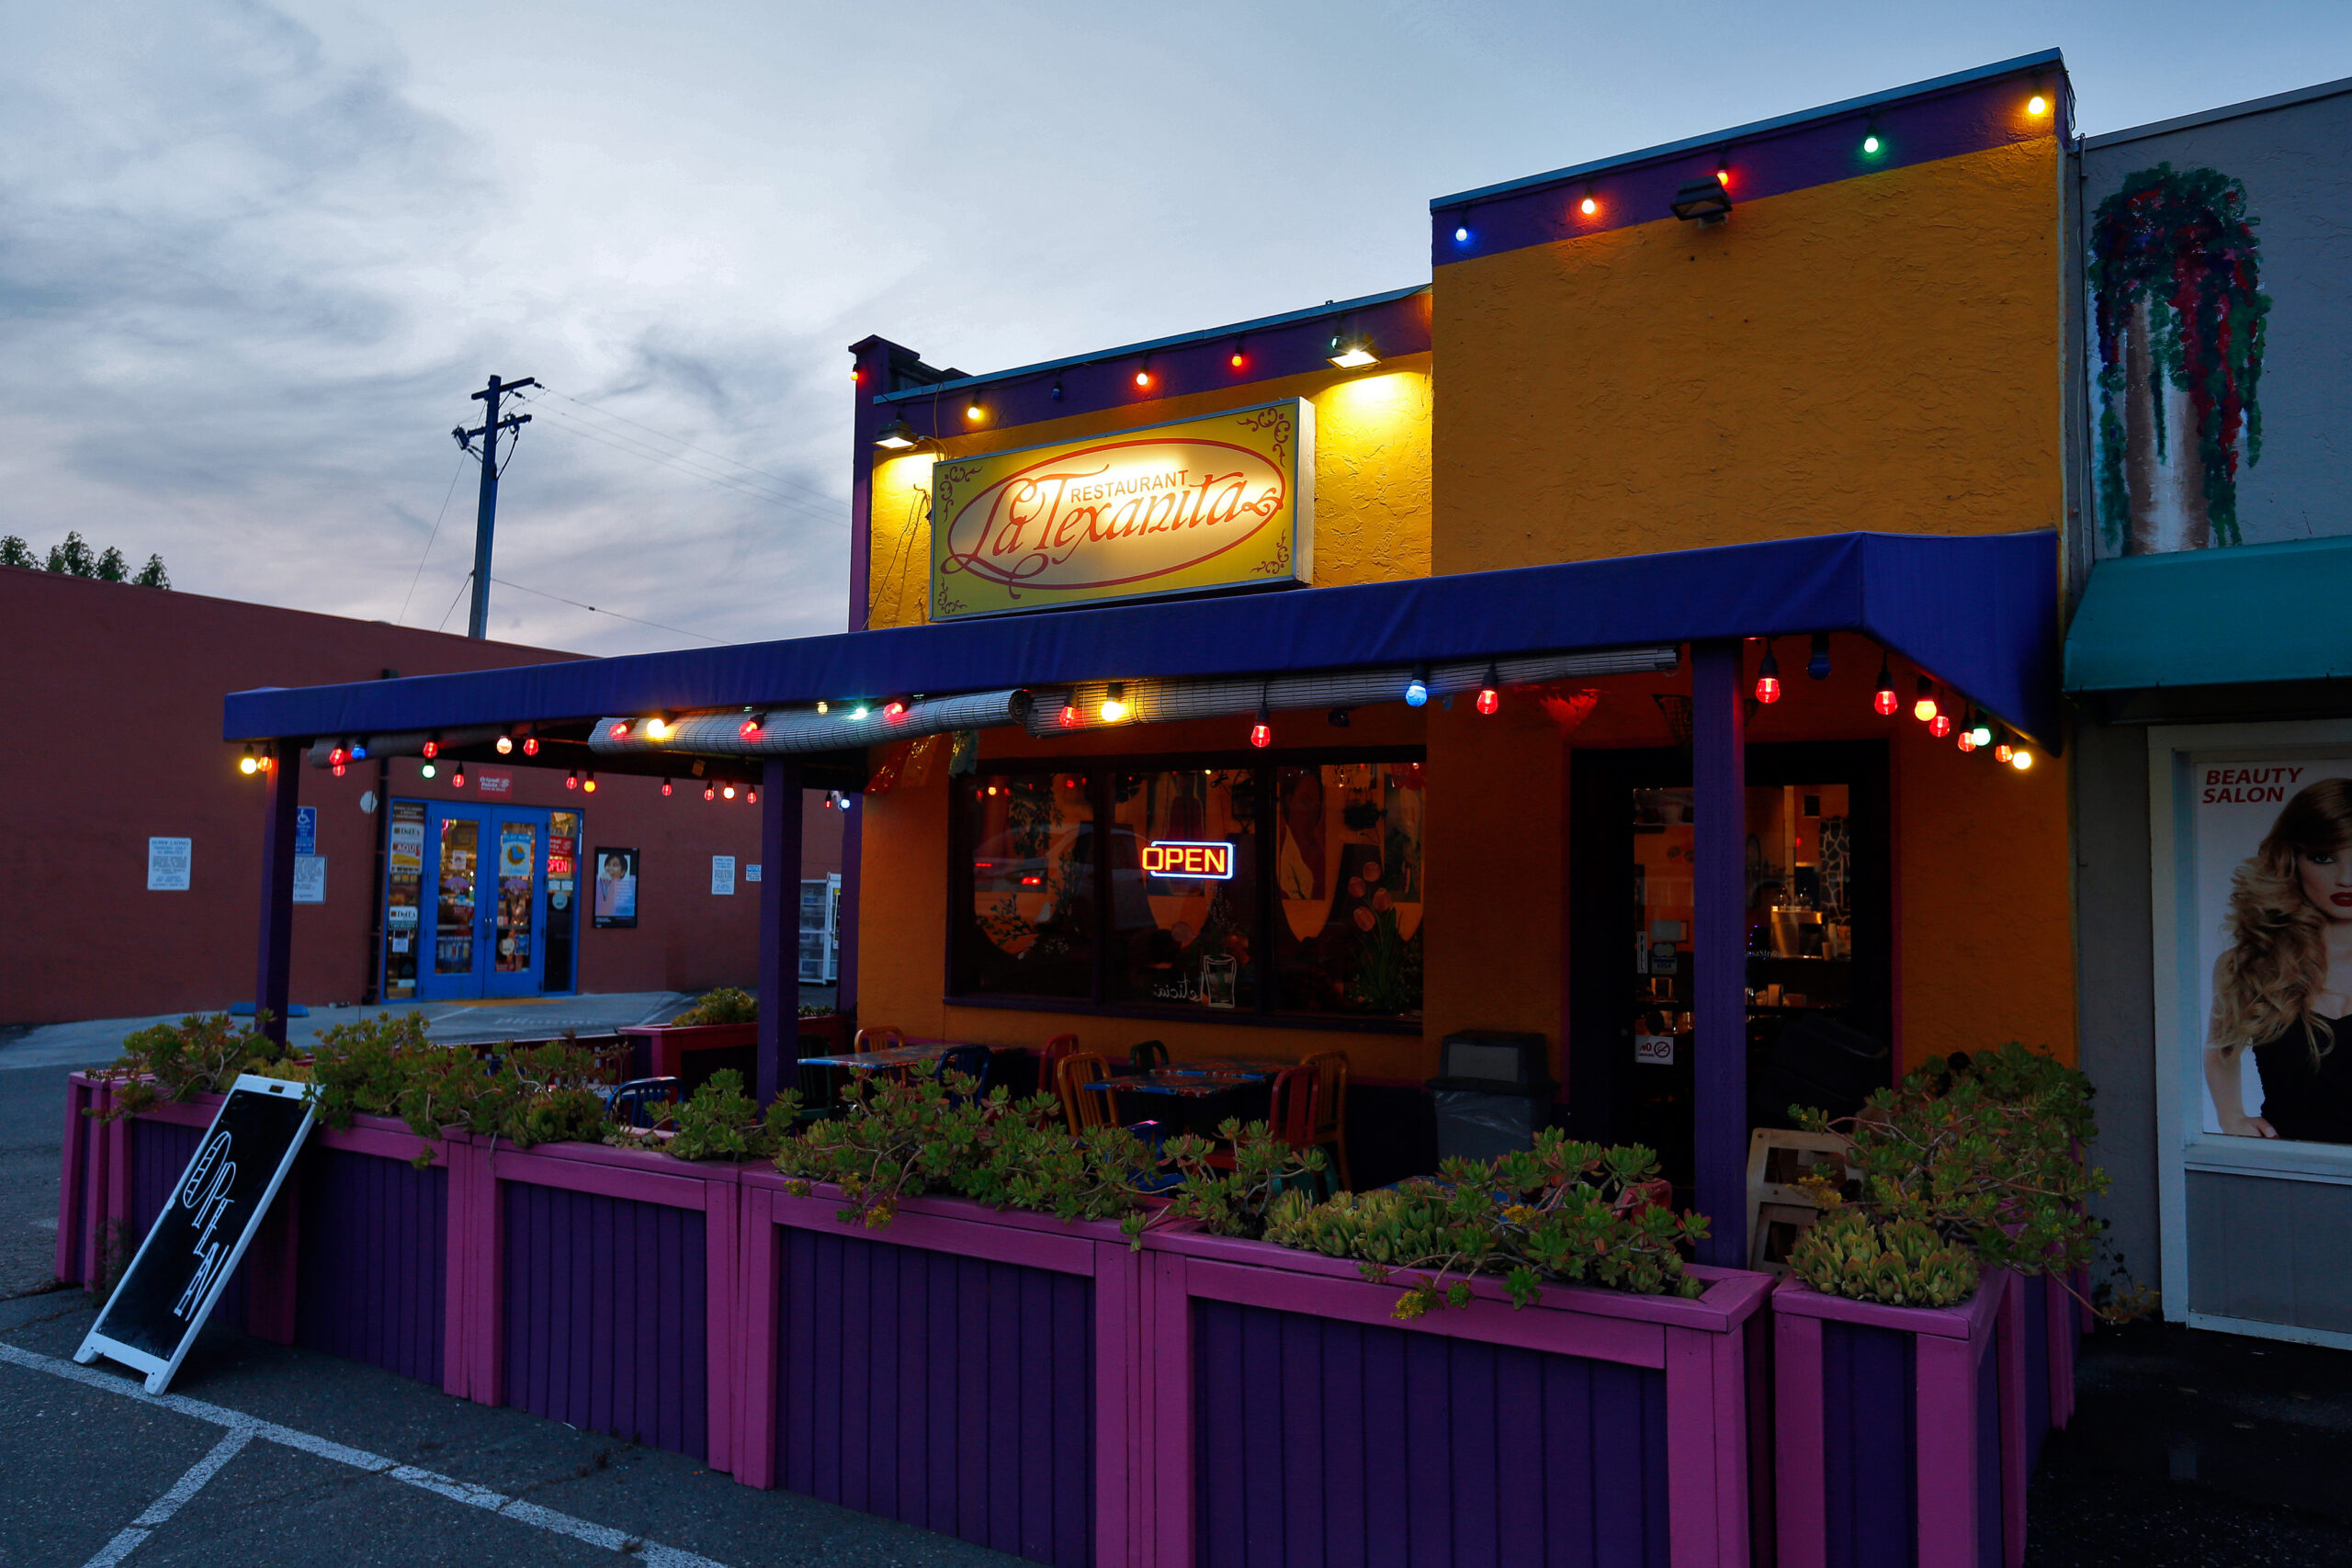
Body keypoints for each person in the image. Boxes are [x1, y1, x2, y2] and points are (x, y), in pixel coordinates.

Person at [2207, 778, 2352, 1144]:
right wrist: (2231, 1117)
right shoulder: (2249, 964)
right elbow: (2220, 1051)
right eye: (2324, 857)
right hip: (2286, 1167)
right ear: (2291, 859)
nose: (2346, 878)